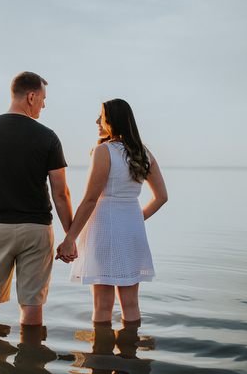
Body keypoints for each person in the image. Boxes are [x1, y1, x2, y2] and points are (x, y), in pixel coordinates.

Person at [0, 71, 72, 326]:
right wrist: (70, 236)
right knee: (32, 305)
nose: (44, 105)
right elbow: (60, 193)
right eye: (43, 99)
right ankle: (32, 362)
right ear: (31, 97)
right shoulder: (48, 136)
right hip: (37, 230)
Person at [56, 98, 167, 324]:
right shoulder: (144, 153)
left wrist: (70, 239)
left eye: (102, 117)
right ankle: (130, 353)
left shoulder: (104, 150)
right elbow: (162, 197)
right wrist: (136, 218)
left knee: (102, 306)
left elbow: (90, 200)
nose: (97, 121)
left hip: (104, 229)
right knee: (131, 304)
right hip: (132, 230)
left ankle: (100, 356)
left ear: (113, 121)